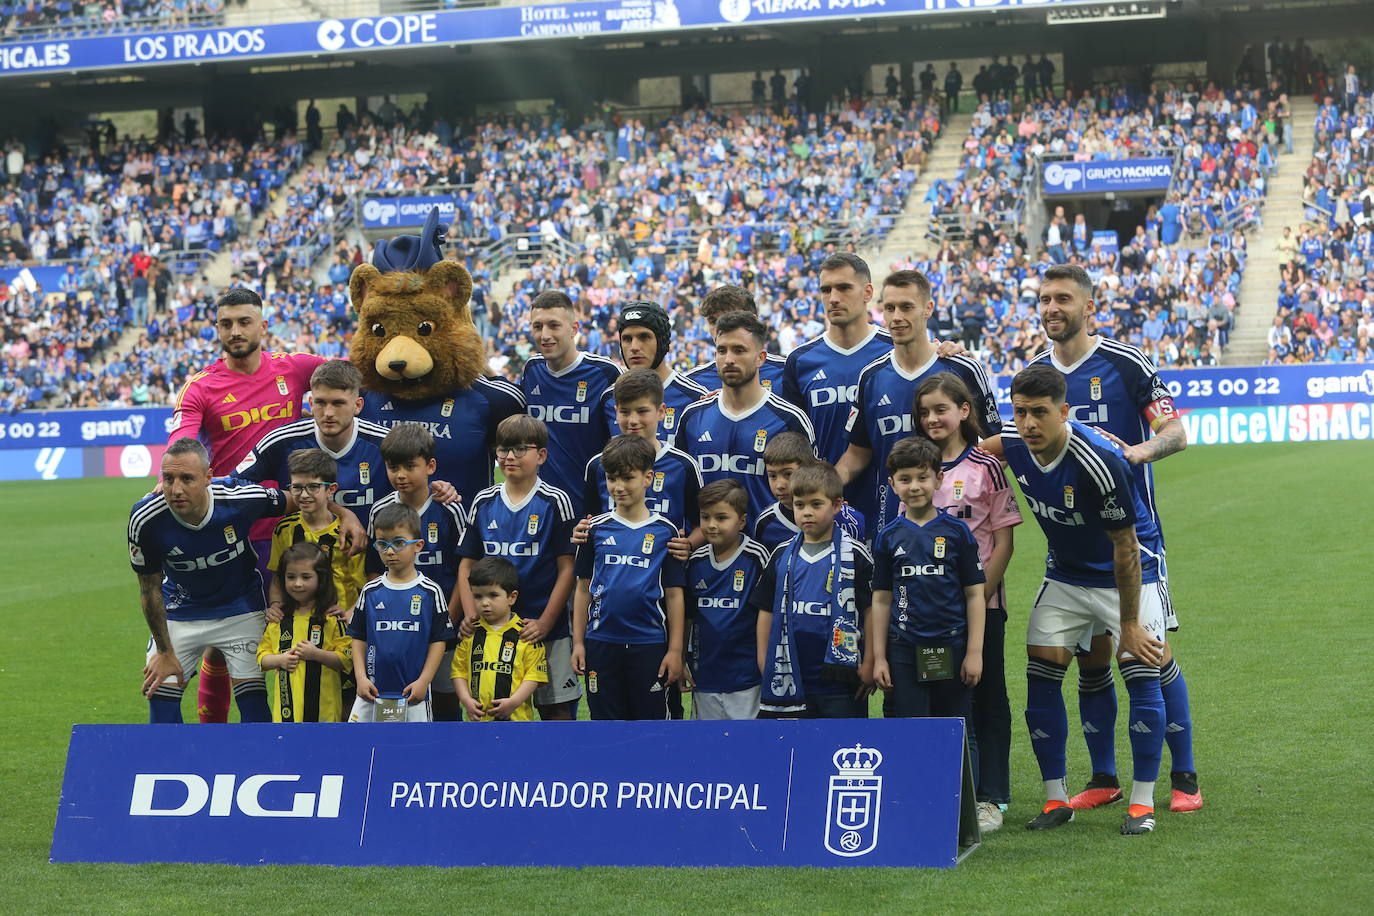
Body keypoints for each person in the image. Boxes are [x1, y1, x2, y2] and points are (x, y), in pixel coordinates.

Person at [1025, 263, 1201, 813]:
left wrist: (1138, 451)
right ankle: (1104, 778)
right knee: (1091, 659)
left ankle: (1186, 779)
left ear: (1088, 307)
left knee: (1148, 653)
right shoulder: (1036, 375)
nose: (1052, 308)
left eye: (1063, 299)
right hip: (1072, 553)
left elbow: (1175, 430)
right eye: (1045, 299)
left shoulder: (1125, 363)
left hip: (1134, 542)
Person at [1002, 365, 1167, 836]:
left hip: (1124, 580)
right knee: (1040, 670)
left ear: (1064, 412)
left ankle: (1142, 802)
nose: (1029, 423)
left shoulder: (1098, 459)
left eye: (1039, 413)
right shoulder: (1013, 441)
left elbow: (1126, 546)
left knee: (1141, 671)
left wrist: (1130, 624)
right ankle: (1056, 800)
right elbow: (973, 450)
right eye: (1020, 412)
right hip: (1066, 577)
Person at [167, 286, 331, 723]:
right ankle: (214, 740)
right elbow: (181, 441)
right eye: (226, 323)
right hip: (236, 535)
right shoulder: (201, 387)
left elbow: (354, 374)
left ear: (263, 325)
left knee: (319, 630)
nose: (235, 331)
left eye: (244, 322)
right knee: (224, 644)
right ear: (216, 328)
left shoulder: (294, 370)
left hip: (299, 529)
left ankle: (312, 727)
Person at [131, 438, 340, 724]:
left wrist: (346, 515)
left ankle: (256, 766)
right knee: (160, 696)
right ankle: (174, 767)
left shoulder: (241, 498)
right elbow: (148, 589)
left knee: (253, 705)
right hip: (180, 611)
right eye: (168, 479)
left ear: (208, 477)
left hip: (240, 608)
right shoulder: (145, 518)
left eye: (187, 479)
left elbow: (301, 500)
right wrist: (164, 651)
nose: (176, 489)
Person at [914, 373, 1021, 833]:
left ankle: (992, 797)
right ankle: (940, 790)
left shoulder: (986, 466)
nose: (933, 419)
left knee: (987, 695)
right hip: (927, 611)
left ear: (963, 410)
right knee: (939, 696)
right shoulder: (914, 464)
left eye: (941, 409)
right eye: (924, 412)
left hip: (981, 608)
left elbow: (1004, 542)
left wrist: (977, 596)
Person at [836, 270, 1000, 538]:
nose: (897, 317)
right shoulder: (870, 377)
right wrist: (825, 486)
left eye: (906, 307)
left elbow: (996, 444)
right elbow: (857, 453)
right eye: (889, 308)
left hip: (960, 528)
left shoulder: (963, 368)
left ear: (928, 309)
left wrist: (960, 492)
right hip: (892, 527)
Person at [459, 415, 580, 721]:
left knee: (555, 708)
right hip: (491, 629)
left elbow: (567, 569)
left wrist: (546, 622)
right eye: (503, 449)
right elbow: (467, 564)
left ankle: (558, 771)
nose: (509, 456)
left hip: (541, 627)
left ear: (541, 455)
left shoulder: (555, 501)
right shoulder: (483, 501)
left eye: (519, 449)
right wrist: (469, 611)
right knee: (493, 707)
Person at [870, 435, 985, 724]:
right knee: (913, 728)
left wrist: (973, 652)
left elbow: (974, 595)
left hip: (953, 644)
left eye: (923, 477)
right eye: (905, 479)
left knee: (958, 728)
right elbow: (881, 600)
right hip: (904, 648)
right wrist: (880, 657)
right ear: (892, 484)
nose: (915, 486)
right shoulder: (887, 537)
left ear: (939, 479)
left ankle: (962, 773)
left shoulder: (958, 533)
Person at [571, 435, 686, 720]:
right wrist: (578, 642)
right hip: (601, 642)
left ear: (648, 477)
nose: (618, 487)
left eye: (627, 478)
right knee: (605, 725)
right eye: (611, 479)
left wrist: (675, 650)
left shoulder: (665, 531)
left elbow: (673, 594)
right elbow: (583, 588)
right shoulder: (593, 529)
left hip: (649, 644)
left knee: (653, 727)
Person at [751, 462, 873, 719]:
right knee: (791, 753)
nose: (807, 512)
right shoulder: (782, 554)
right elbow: (765, 611)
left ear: (837, 505)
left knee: (838, 750)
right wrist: (765, 660)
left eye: (816, 504)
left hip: (840, 680)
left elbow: (870, 611)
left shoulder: (856, 555)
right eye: (800, 505)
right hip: (792, 676)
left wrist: (870, 660)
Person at [673, 311, 815, 530]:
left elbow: (810, 494)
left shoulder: (790, 420)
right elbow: (681, 493)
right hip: (704, 558)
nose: (728, 359)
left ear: (760, 358)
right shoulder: (692, 418)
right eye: (722, 350)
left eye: (739, 350)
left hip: (770, 555)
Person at [366, 423, 467, 721]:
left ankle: (449, 765)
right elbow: (374, 572)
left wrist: (447, 621)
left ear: (430, 466)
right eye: (393, 467)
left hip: (443, 626)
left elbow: (463, 568)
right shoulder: (380, 511)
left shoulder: (450, 509)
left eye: (410, 466)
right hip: (397, 628)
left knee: (447, 701)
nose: (400, 475)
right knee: (396, 701)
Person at [781, 253, 892, 508]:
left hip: (890, 501)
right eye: (826, 289)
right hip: (823, 508)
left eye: (843, 288)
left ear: (867, 293)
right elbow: (794, 442)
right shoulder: (800, 361)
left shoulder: (895, 351)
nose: (833, 298)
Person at [236, 360, 392, 513]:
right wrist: (288, 499)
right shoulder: (281, 441)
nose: (328, 413)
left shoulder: (384, 443)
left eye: (338, 403)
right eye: (321, 403)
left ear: (357, 405)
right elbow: (234, 484)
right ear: (310, 403)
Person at [347, 503, 455, 723]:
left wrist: (424, 681)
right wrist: (360, 677)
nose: (389, 551)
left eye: (398, 543)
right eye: (382, 544)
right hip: (371, 692)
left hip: (412, 693)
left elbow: (439, 641)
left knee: (414, 751)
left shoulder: (430, 592)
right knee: (361, 749)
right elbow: (358, 637)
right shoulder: (371, 591)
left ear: (418, 545)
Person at [521, 290, 621, 513]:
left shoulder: (605, 373)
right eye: (537, 327)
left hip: (590, 509)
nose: (544, 335)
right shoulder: (532, 369)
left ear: (574, 329)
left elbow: (624, 442)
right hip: (542, 509)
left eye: (553, 325)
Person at [687, 479, 771, 720]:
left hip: (747, 679)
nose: (712, 525)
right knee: (708, 749)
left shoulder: (757, 558)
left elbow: (768, 616)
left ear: (742, 521)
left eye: (721, 518)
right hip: (705, 678)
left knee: (748, 746)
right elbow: (688, 615)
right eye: (705, 517)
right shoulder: (695, 561)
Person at [586, 369, 703, 537]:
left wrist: (689, 544)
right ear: (616, 412)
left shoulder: (683, 465)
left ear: (661, 412)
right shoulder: (598, 465)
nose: (633, 421)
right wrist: (583, 533)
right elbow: (591, 522)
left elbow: (701, 524)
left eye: (642, 411)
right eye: (625, 412)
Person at [256, 543, 351, 723]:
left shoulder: (331, 618)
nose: (297, 583)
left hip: (325, 714)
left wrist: (316, 654)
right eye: (291, 577)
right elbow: (262, 656)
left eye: (306, 577)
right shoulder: (279, 619)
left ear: (321, 579)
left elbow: (345, 659)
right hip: (286, 715)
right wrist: (280, 660)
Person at [266, 448, 367, 617]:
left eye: (313, 487)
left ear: (331, 489)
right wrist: (275, 605)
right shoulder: (284, 529)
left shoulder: (347, 533)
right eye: (297, 487)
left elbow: (364, 585)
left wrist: (352, 613)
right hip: (300, 622)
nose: (304, 495)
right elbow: (278, 576)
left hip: (339, 623)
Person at [453, 557, 549, 723]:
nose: (485, 603)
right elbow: (459, 672)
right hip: (477, 723)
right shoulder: (471, 633)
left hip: (516, 722)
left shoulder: (525, 634)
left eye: (493, 595)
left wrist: (514, 702)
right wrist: (466, 700)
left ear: (511, 597)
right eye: (477, 596)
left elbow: (534, 676)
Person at [600, 300, 710, 439]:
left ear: (663, 342)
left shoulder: (695, 398)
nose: (634, 347)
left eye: (644, 337)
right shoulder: (609, 399)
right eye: (627, 339)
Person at [685, 286, 787, 392]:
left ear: (752, 321)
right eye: (713, 321)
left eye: (729, 319)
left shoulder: (786, 372)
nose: (719, 328)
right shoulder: (693, 383)